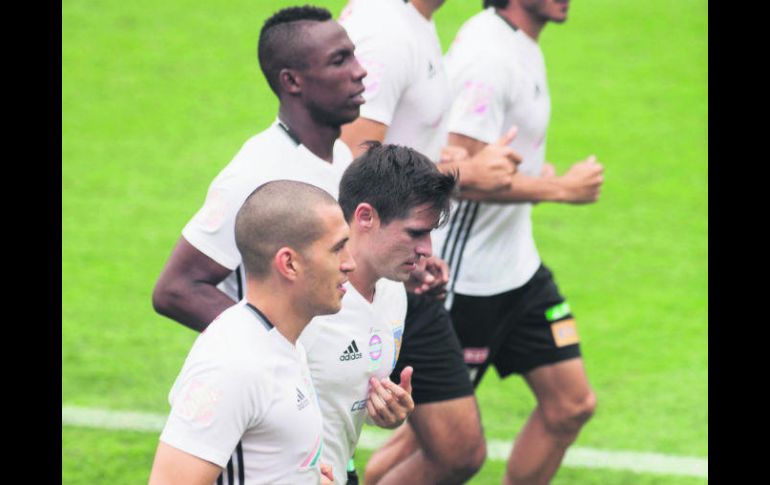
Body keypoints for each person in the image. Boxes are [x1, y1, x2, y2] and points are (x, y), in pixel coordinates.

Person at [150, 5, 440, 484]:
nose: (360, 70)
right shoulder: (256, 172)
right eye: (340, 60)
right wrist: (279, 353)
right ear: (293, 81)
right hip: (272, 433)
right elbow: (177, 288)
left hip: (321, 447)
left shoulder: (343, 159)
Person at [374, 1, 604, 484]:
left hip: (518, 271)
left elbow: (495, 162)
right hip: (465, 279)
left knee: (571, 405)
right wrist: (561, 189)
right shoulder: (487, 55)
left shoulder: (518, 43)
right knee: (437, 444)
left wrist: (537, 177)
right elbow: (462, 176)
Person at [338, 0, 521, 482]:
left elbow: (398, 149)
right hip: (359, 277)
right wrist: (466, 172)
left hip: (404, 271)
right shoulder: (385, 31)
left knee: (458, 449)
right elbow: (353, 167)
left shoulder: (418, 24)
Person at [148, 180, 354, 485]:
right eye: (337, 248)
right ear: (289, 264)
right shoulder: (234, 364)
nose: (349, 263)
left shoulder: (281, 341)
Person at [301, 142, 458, 483]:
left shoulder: (392, 292)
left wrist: (385, 412)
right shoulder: (303, 300)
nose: (427, 250)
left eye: (430, 234)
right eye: (416, 232)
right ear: (365, 217)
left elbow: (343, 398)